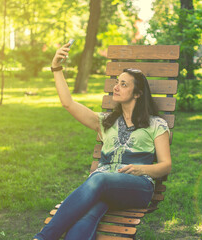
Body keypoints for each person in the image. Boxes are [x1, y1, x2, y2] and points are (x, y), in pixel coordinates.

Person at [33, 43, 172, 240]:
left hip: (138, 186)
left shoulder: (155, 125)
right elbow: (68, 103)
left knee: (98, 179)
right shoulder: (106, 122)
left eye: (124, 84)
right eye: (117, 81)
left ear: (138, 93)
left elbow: (166, 165)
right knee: (88, 214)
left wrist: (142, 169)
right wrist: (56, 68)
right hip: (104, 186)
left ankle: (42, 238)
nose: (116, 87)